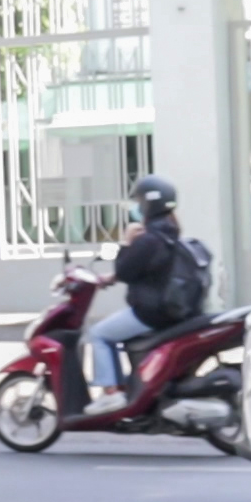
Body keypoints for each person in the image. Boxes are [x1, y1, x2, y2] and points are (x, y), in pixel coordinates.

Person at [81, 174, 195, 415]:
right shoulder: (171, 234)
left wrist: (126, 242)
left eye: (139, 202)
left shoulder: (148, 239)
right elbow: (146, 270)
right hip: (170, 310)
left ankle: (111, 393)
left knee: (99, 334)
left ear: (147, 205)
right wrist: (112, 277)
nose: (136, 208)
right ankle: (125, 387)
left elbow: (125, 269)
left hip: (150, 312)